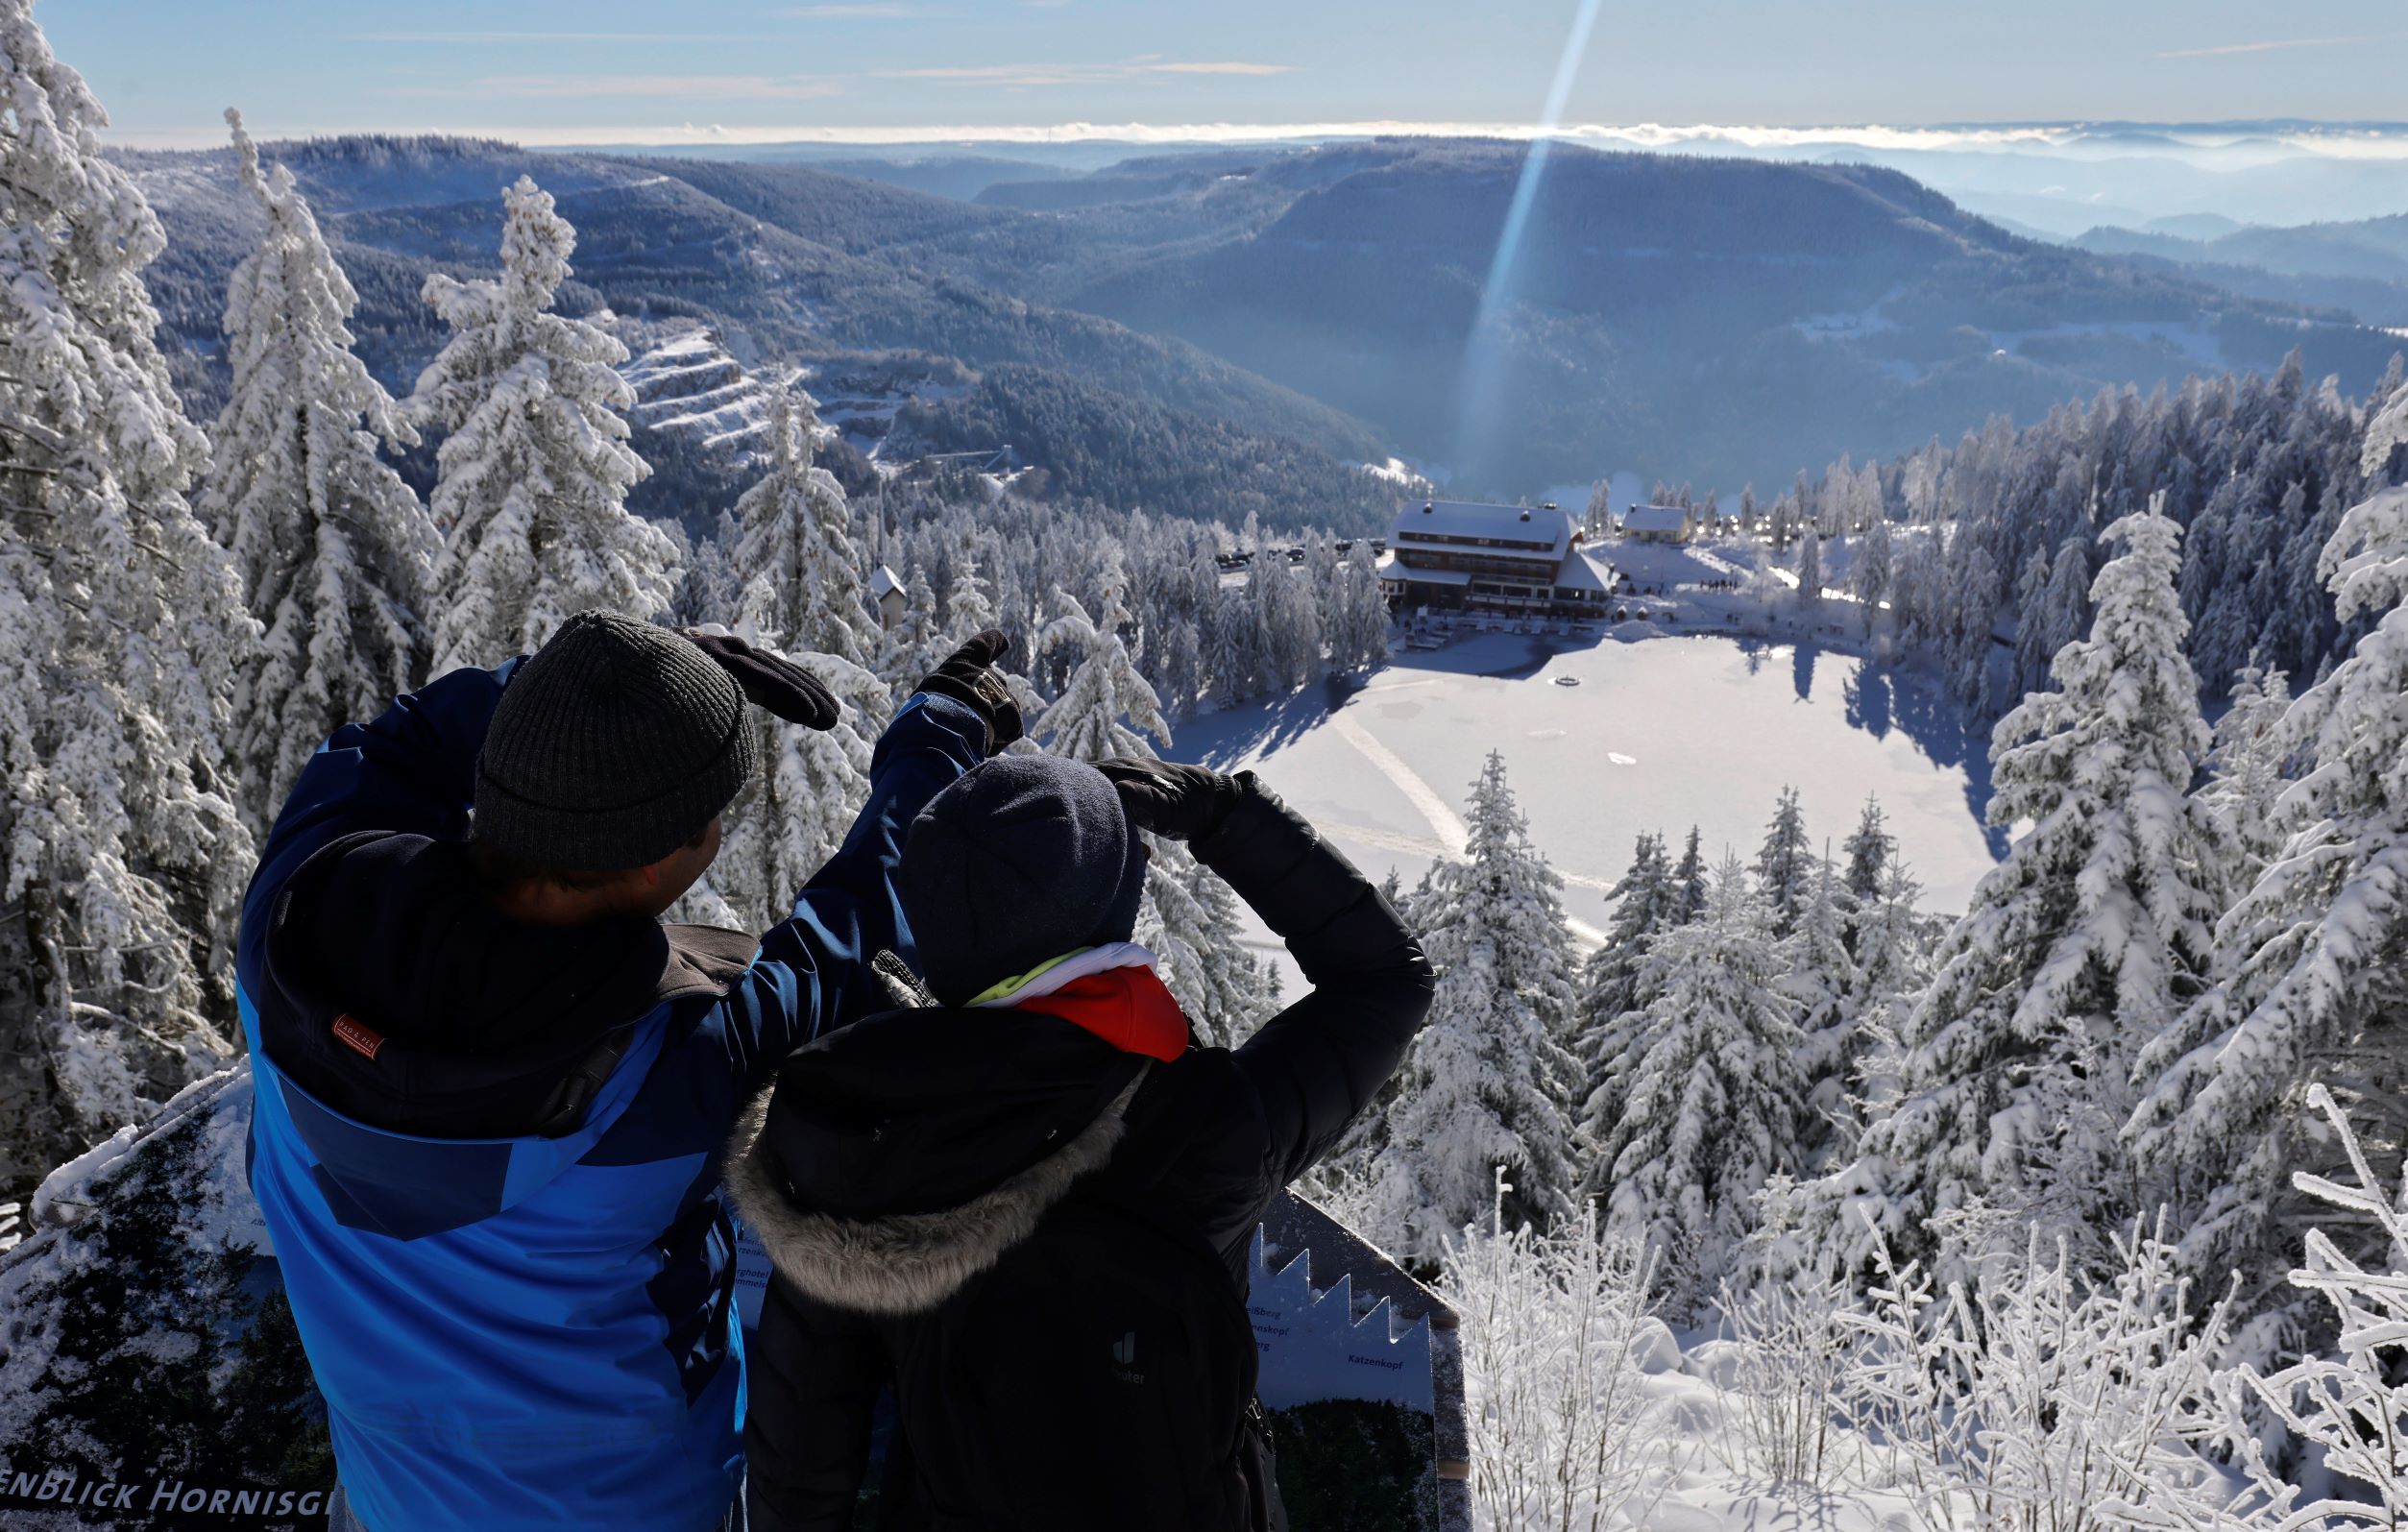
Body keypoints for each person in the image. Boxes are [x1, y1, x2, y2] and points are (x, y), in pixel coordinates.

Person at [235, 612, 1022, 1532]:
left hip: (396, 1493)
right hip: (635, 1505)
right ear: (658, 861)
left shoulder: (286, 921)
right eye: (715, 813)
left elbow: (404, 738)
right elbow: (853, 930)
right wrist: (941, 730)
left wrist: (594, 698)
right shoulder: (671, 1075)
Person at [728, 753, 1436, 1530]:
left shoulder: (855, 1129)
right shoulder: (1208, 1122)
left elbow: (802, 1449)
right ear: (1110, 908)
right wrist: (1225, 816)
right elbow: (1385, 978)